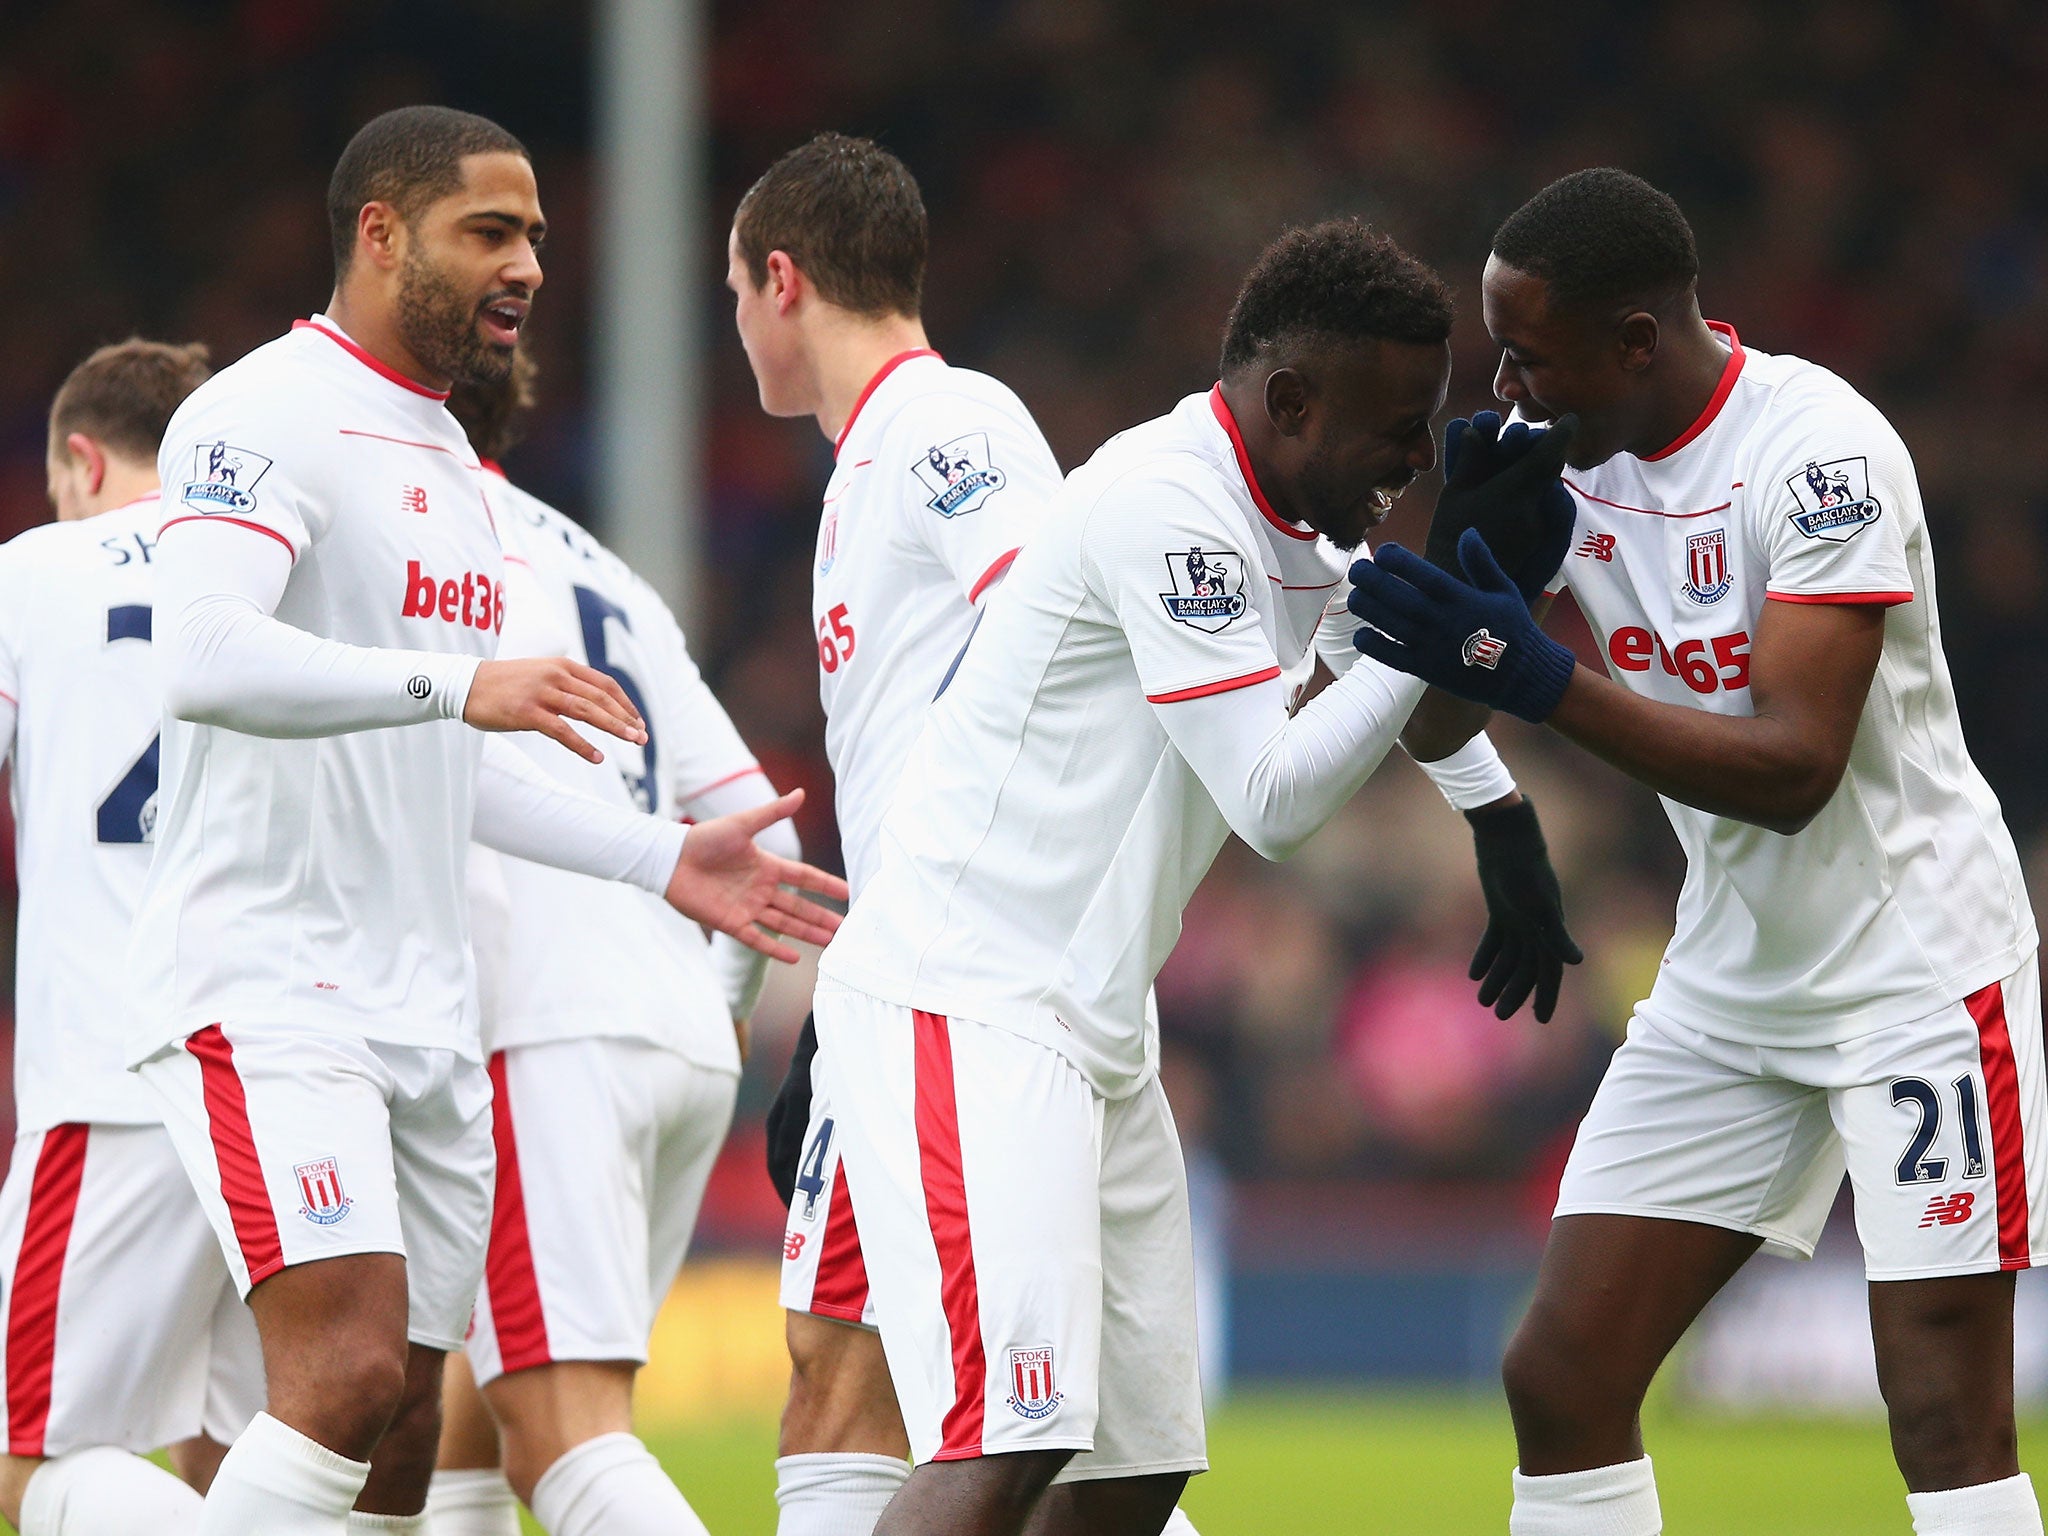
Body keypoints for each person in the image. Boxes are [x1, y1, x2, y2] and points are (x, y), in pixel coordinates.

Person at [124, 105, 847, 1536]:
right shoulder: (261, 410)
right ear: (381, 234)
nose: (526, 264)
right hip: (273, 982)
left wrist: (663, 859)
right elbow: (199, 656)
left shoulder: (458, 476)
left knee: (405, 1429)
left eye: (536, 238)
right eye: (491, 232)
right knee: (335, 1376)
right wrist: (458, 682)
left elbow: (436, 763)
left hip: (430, 1014)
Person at [809, 219, 1576, 1536]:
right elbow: (1273, 797)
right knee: (1004, 1438)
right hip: (968, 1000)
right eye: (1399, 427)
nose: (1413, 459)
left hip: (1093, 1029)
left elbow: (1387, 638)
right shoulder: (1172, 504)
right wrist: (1446, 601)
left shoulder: (1291, 520)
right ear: (1290, 401)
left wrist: (1499, 815)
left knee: (1134, 1465)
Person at [1345, 168, 2044, 1536]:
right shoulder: (1561, 463)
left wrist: (1534, 671)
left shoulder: (1820, 453)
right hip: (1735, 984)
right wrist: (1467, 555)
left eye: (1531, 353)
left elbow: (1793, 769)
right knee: (1561, 1374)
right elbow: (1439, 711)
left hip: (1919, 978)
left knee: (1942, 1412)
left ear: (1638, 342)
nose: (1508, 385)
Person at [726, 129, 1067, 1536]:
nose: (737, 323)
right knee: (908, 1383)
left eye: (736, 290)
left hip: (958, 979)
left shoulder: (949, 426)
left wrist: (925, 926)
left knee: (895, 1380)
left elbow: (1058, 638)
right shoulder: (867, 461)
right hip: (913, 973)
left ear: (785, 280)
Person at [425, 353, 798, 1536]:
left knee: (563, 1434)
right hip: (674, 1029)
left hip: (543, 1020)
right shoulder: (605, 572)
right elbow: (748, 815)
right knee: (464, 1415)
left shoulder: (418, 540)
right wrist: (719, 1011)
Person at [0, 340, 266, 1536]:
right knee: (245, 1459)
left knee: (24, 1458)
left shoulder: (34, 572)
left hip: (114, 1077)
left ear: (82, 458)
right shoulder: (276, 577)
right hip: (282, 1080)